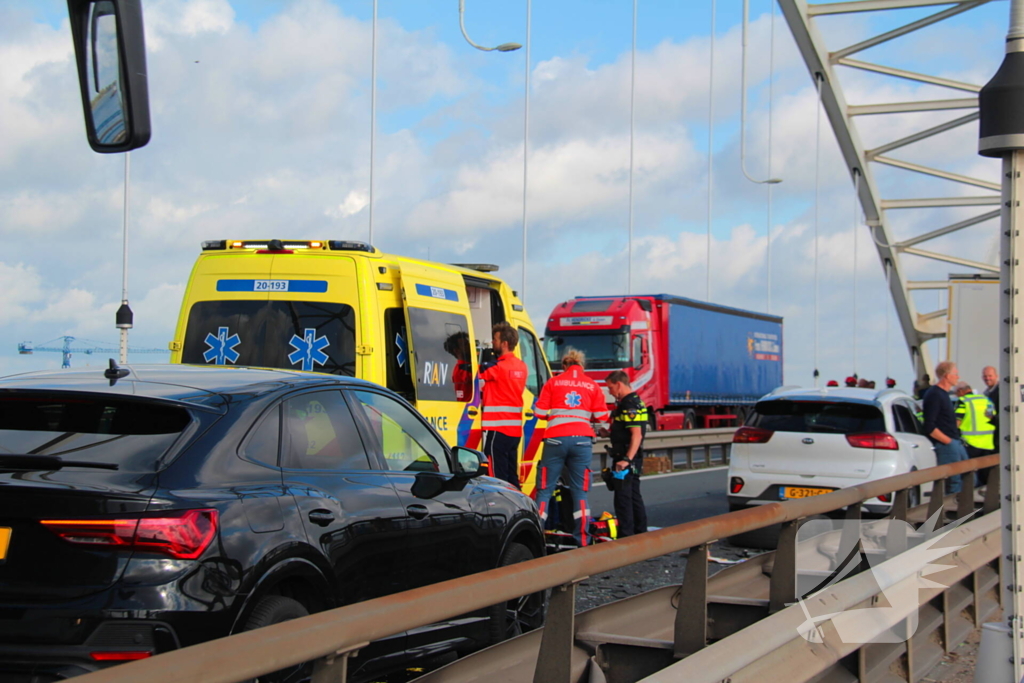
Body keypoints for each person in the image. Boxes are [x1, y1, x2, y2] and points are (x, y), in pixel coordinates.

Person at [532, 348, 609, 546]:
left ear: (564, 365)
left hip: (555, 439)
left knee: (545, 491)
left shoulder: (554, 382)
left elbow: (539, 412)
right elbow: (602, 417)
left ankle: (535, 537)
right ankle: (582, 539)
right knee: (579, 492)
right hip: (582, 440)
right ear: (581, 366)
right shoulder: (591, 384)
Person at [479, 322, 528, 488]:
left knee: (495, 476)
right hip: (514, 430)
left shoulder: (497, 366)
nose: (493, 343)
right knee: (510, 474)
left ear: (505, 344)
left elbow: (474, 372)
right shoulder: (521, 366)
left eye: (495, 339)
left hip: (497, 428)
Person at [603, 371, 649, 537]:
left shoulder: (629, 405)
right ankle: (640, 532)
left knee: (623, 498)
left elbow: (636, 434)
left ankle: (627, 535)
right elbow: (625, 430)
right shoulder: (633, 402)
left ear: (619, 384)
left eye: (610, 387)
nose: (609, 391)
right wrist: (608, 434)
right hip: (628, 456)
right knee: (633, 495)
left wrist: (626, 460)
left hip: (625, 457)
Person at [922, 362, 967, 493]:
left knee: (969, 477)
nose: (958, 377)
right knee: (954, 481)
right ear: (947, 376)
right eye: (956, 374)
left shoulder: (944, 394)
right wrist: (949, 442)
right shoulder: (935, 394)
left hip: (955, 442)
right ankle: (951, 510)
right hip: (947, 445)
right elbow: (929, 425)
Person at [954, 380, 995, 485]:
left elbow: (957, 421)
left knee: (971, 474)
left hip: (970, 443)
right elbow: (992, 416)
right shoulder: (986, 399)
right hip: (988, 442)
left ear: (960, 391)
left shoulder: (963, 401)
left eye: (956, 393)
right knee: (986, 475)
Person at [982, 365, 1000, 456]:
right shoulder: (985, 393)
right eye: (985, 376)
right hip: (989, 437)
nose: (987, 378)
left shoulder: (1001, 391)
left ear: (996, 376)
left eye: (990, 376)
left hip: (999, 436)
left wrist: (993, 418)